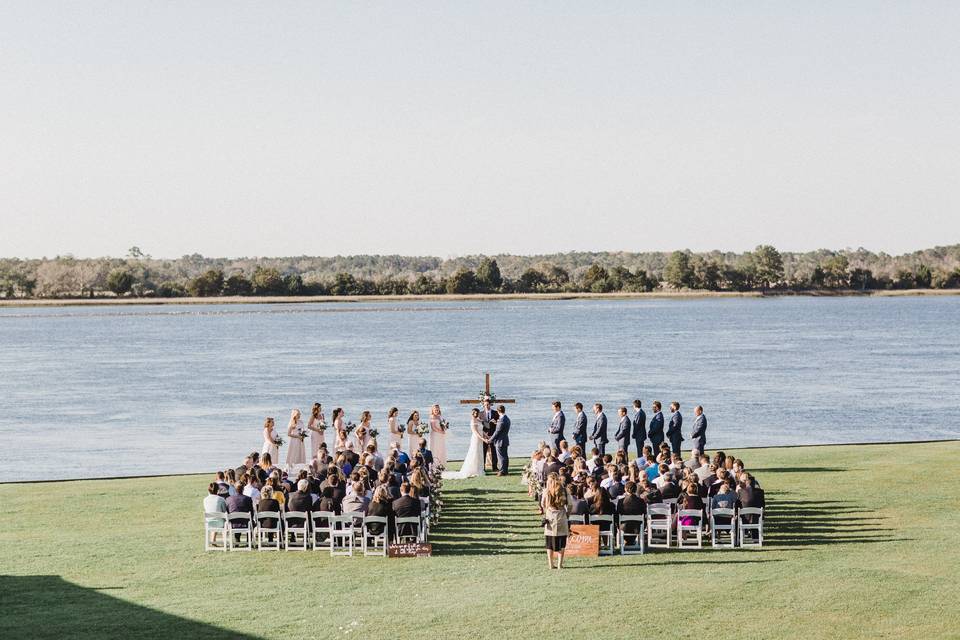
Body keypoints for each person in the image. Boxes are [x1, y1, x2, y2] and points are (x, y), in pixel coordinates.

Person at [442, 408, 486, 480]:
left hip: (480, 439)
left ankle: (479, 469)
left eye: (477, 413)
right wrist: (483, 438)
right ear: (473, 413)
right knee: (475, 453)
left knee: (480, 453)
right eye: (475, 413)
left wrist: (486, 436)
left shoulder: (478, 420)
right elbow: (476, 432)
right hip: (476, 439)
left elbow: (481, 430)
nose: (476, 414)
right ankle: (473, 469)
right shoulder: (473, 421)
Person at [542, 473, 574, 570]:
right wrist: (567, 514)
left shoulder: (546, 491)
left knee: (549, 542)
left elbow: (542, 503)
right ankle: (560, 564)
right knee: (562, 541)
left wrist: (546, 511)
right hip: (561, 515)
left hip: (550, 516)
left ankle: (551, 564)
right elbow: (570, 504)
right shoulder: (564, 490)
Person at [479, 399, 500, 473]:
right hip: (484, 435)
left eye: (488, 404)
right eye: (485, 405)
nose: (486, 406)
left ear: (490, 405)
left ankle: (494, 467)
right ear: (483, 405)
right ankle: (483, 468)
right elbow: (479, 425)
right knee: (483, 452)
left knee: (494, 452)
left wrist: (495, 422)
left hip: (493, 435)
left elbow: (499, 423)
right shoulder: (480, 414)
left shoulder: (495, 413)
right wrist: (487, 425)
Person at [492, 404, 511, 476]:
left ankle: (502, 471)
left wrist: (490, 440)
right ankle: (505, 470)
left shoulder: (502, 420)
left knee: (501, 457)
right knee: (505, 456)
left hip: (500, 441)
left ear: (498, 411)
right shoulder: (506, 418)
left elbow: (497, 432)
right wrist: (497, 423)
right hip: (505, 440)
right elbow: (502, 427)